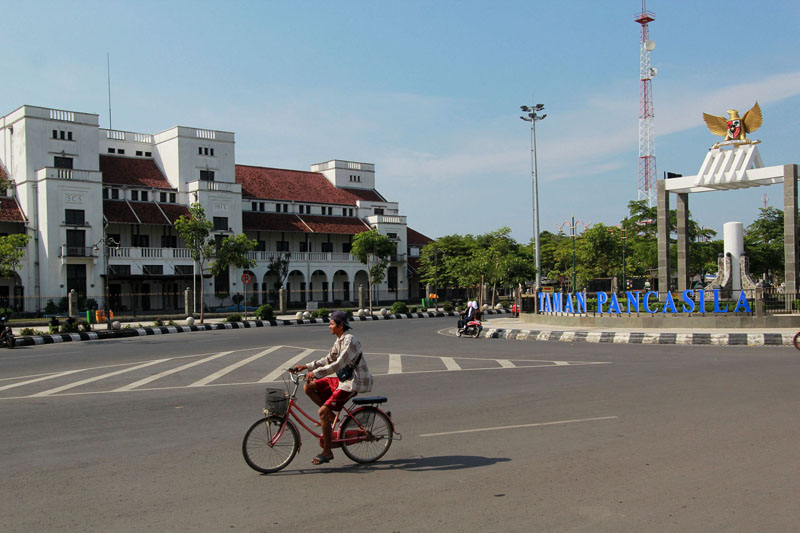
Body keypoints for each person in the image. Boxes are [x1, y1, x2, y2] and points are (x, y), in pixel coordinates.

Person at [291, 310, 372, 465]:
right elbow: (328, 359)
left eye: (331, 324)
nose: (329, 326)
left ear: (340, 325)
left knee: (322, 412)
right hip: (342, 379)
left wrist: (315, 372)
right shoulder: (339, 340)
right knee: (309, 387)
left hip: (352, 382)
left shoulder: (350, 340)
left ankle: (327, 452)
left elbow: (337, 364)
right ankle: (331, 418)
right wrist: (305, 367)